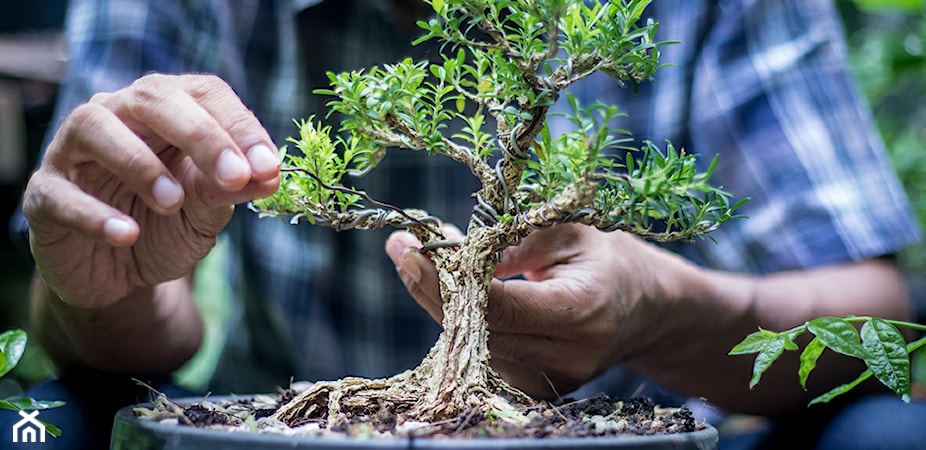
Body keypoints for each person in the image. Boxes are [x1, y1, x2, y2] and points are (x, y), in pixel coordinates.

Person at [5, 0, 924, 448]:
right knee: (34, 427)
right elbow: (126, 332)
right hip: (291, 424)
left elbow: (875, 311)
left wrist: (670, 309)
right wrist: (100, 293)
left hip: (659, 427)